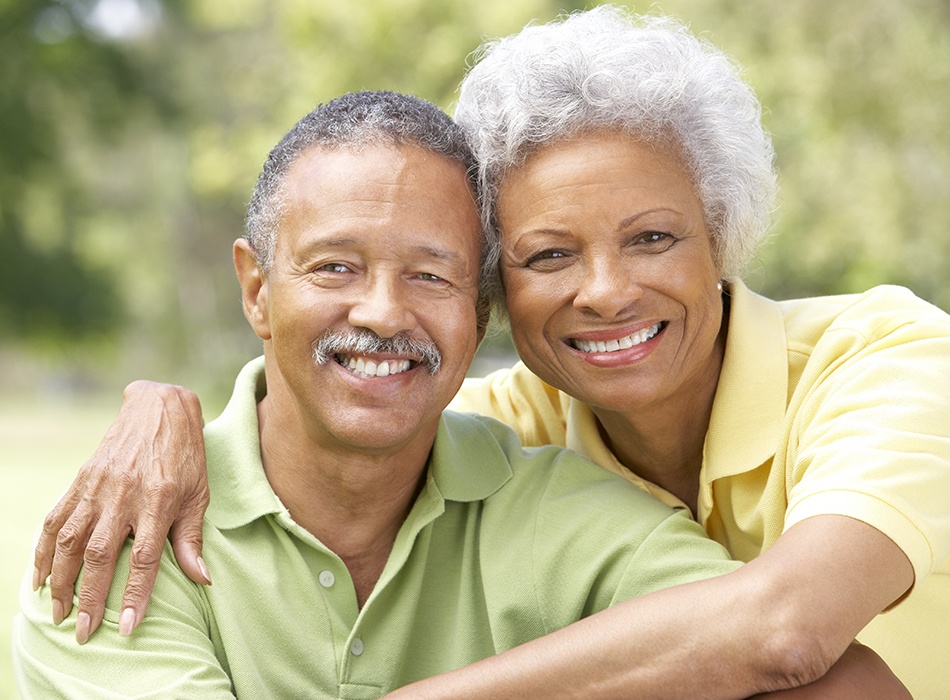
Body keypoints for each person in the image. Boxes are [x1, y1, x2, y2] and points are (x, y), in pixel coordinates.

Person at [30, 5, 950, 698]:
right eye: (548, 255)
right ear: (495, 293)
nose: (605, 289)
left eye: (653, 239)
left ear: (724, 238)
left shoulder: (887, 359)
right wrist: (163, 408)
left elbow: (786, 630)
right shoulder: (500, 433)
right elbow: (342, 406)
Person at [15, 90, 766, 697]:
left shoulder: (568, 516)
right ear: (256, 290)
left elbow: (819, 668)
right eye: (335, 267)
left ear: (478, 313)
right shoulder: (123, 530)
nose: (382, 312)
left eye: (431, 275)